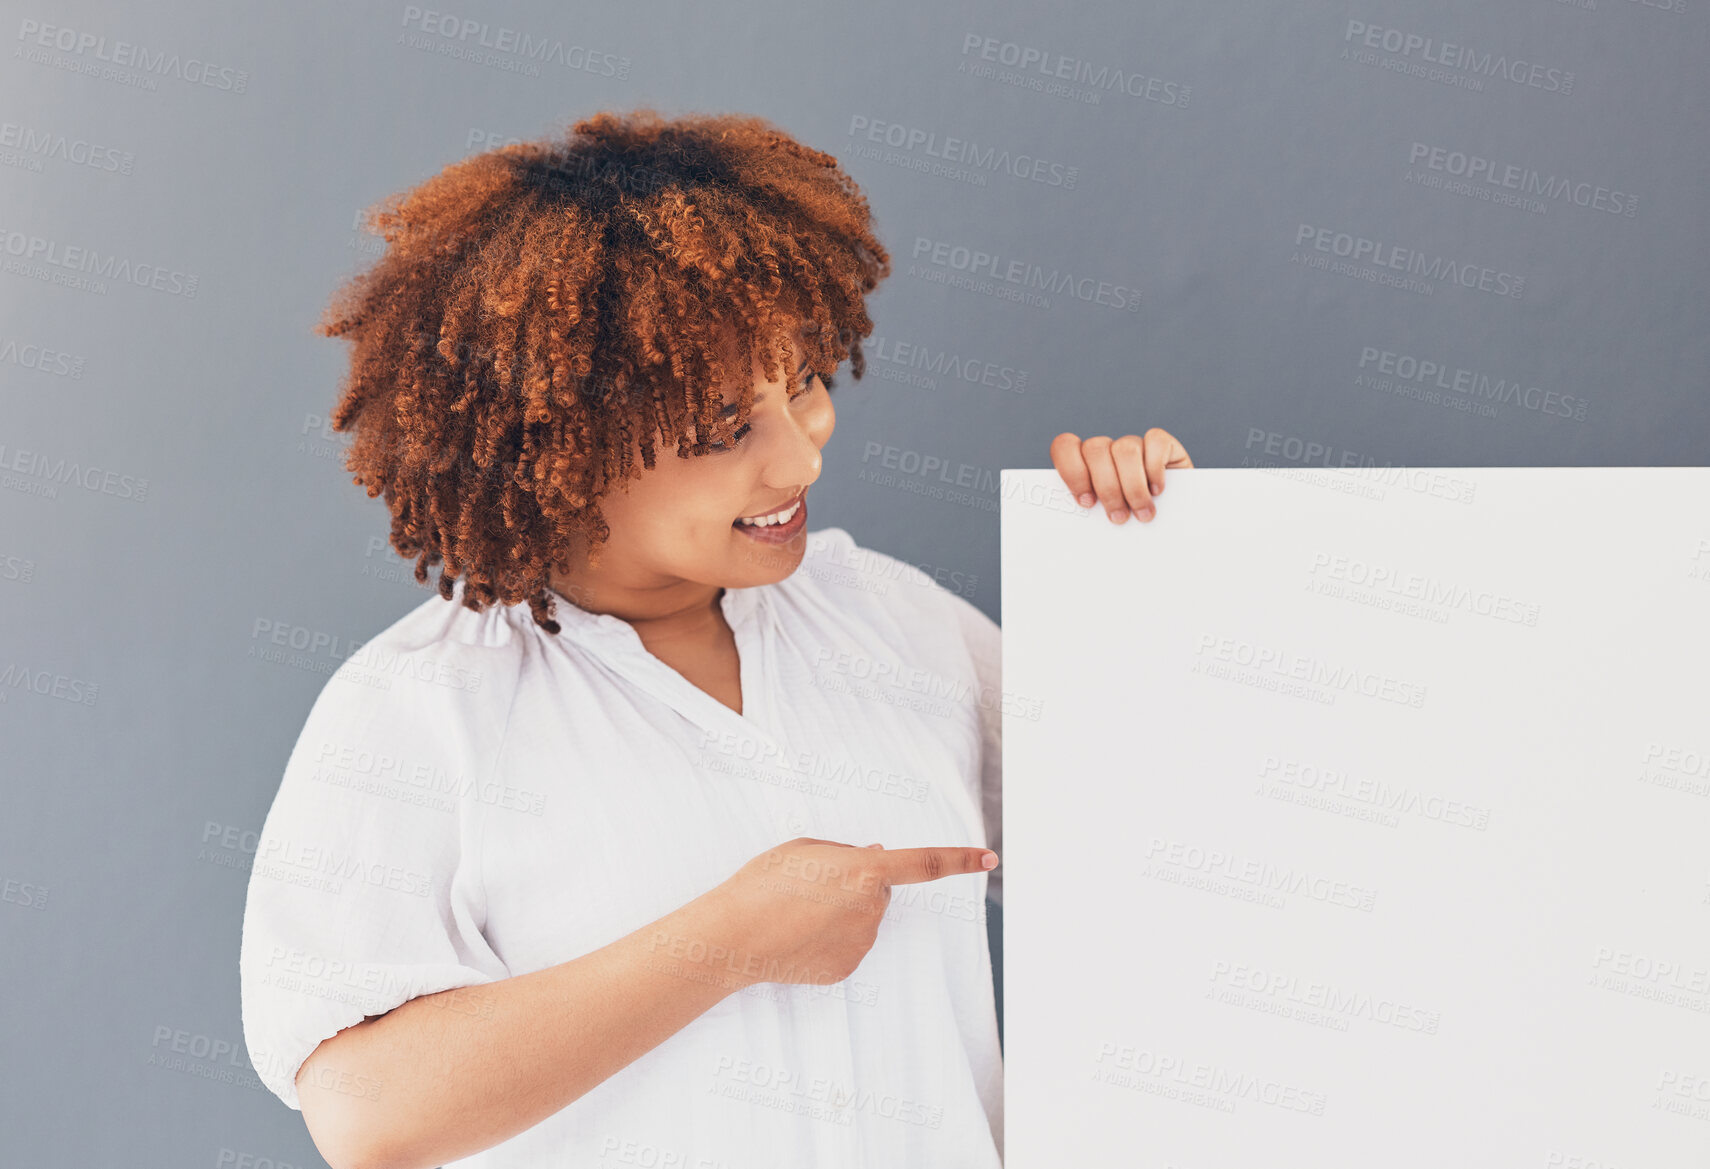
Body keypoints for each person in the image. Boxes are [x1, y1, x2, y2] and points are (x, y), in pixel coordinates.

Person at [238, 107, 1192, 1169]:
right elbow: (366, 1110)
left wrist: (1153, 571)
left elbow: (1165, 856)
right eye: (721, 431)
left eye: (806, 387)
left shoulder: (895, 617)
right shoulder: (422, 707)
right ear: (561, 445)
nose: (799, 463)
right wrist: (726, 942)